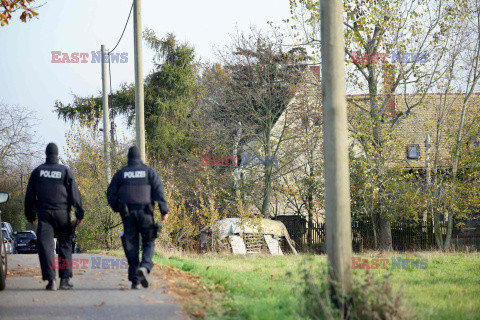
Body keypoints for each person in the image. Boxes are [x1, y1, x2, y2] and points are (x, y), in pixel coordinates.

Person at [107, 146, 169, 289]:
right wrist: (163, 210)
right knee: (149, 241)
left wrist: (118, 208)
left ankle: (135, 280)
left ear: (128, 158)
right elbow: (159, 190)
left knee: (131, 245)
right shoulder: (149, 172)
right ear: (140, 157)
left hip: (128, 215)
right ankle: (145, 267)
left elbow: (110, 193)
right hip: (146, 213)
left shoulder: (121, 174)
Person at [25, 143, 84, 290]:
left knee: (46, 246)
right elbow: (75, 194)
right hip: (63, 214)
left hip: (44, 214)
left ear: (46, 154)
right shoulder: (65, 171)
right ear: (57, 155)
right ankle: (64, 280)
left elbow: (29, 197)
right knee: (64, 244)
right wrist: (79, 213)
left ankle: (51, 281)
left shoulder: (37, 172)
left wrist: (30, 215)